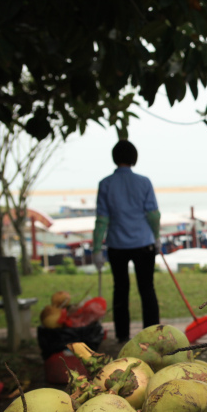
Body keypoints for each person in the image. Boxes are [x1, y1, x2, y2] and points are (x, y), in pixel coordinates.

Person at [92, 140, 161, 342]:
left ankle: (122, 336)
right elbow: (153, 215)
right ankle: (152, 336)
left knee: (120, 291)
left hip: (117, 245)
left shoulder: (105, 184)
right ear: (134, 158)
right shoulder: (144, 182)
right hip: (144, 244)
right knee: (147, 289)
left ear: (115, 158)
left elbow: (101, 220)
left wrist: (97, 249)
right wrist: (156, 237)